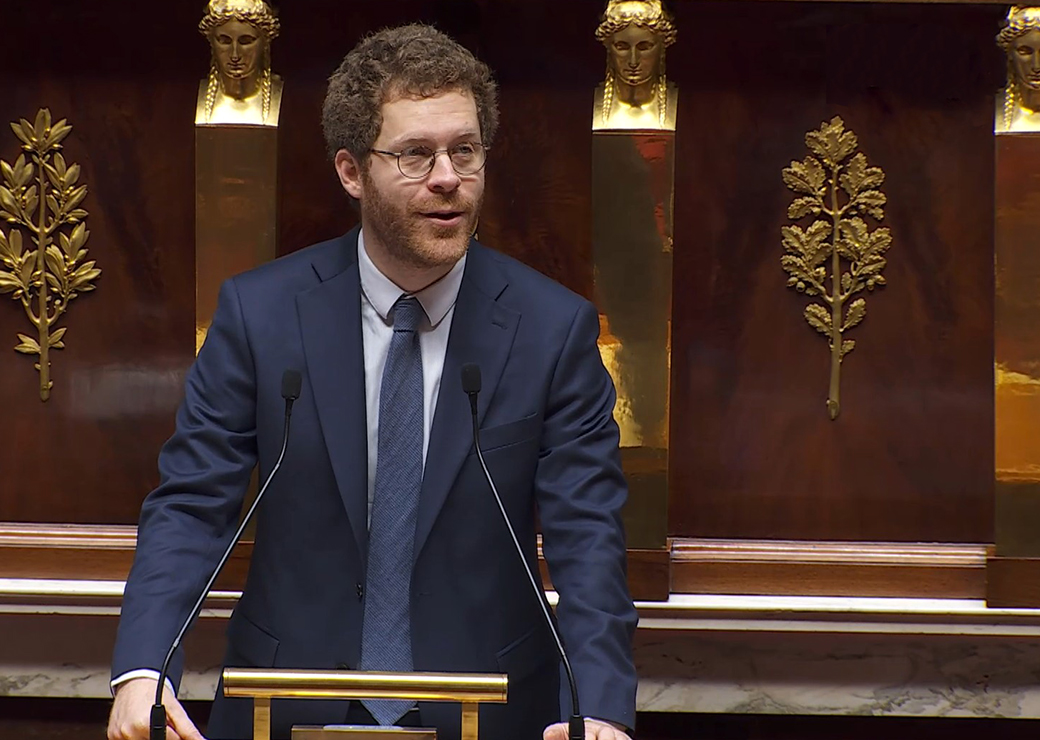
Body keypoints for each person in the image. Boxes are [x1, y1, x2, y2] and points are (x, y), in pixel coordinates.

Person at [108, 23, 638, 740]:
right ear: (352, 172)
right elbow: (192, 506)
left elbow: (588, 535)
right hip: (285, 704)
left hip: (491, 708)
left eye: (465, 150)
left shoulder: (553, 330)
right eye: (416, 154)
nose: (447, 177)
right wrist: (143, 670)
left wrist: (599, 707)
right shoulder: (261, 315)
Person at [593, 0, 678, 131]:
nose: (633, 61)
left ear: (662, 48)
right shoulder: (583, 103)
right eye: (622, 47)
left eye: (644, 47)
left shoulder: (687, 106)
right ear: (609, 48)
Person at [196, 0, 283, 126]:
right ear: (212, 42)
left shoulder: (283, 98)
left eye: (246, 41)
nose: (235, 55)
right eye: (225, 41)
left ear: (265, 42)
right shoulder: (190, 98)